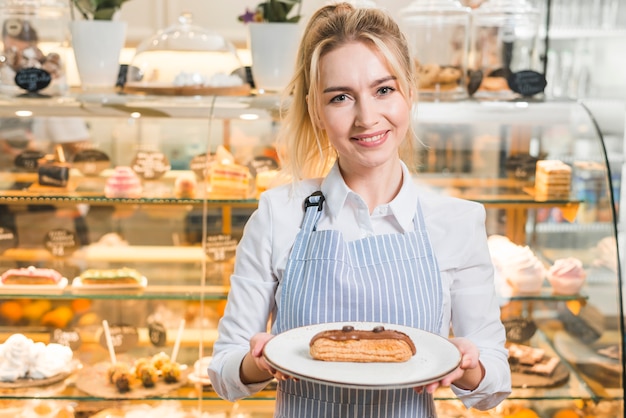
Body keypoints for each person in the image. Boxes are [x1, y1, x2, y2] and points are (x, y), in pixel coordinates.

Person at [208, 3, 511, 417]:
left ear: (408, 93)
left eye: (383, 90)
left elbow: (494, 383)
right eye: (341, 97)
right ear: (316, 110)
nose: (367, 117)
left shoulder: (457, 222)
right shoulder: (279, 214)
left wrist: (467, 367)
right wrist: (257, 364)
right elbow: (224, 372)